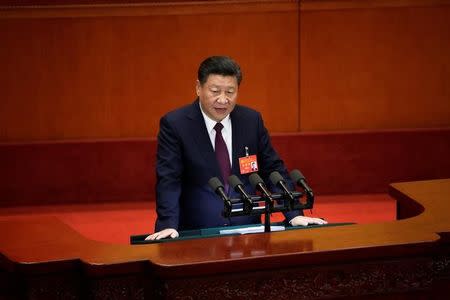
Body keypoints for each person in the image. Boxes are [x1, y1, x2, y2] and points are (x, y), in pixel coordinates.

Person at [146, 56, 326, 240]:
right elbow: (169, 179)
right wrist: (168, 224)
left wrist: (294, 214)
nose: (223, 100)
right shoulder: (176, 124)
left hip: (249, 232)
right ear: (198, 88)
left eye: (230, 92)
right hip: (198, 233)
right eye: (215, 91)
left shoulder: (250, 120)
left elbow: (273, 169)